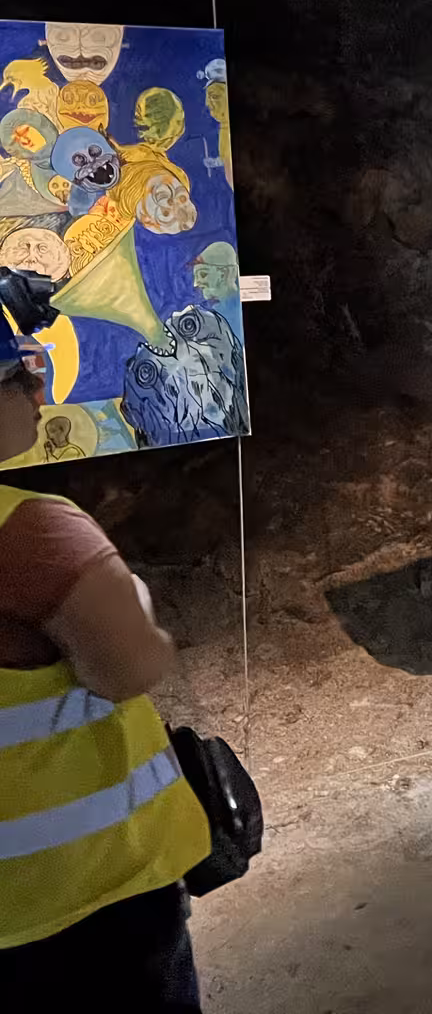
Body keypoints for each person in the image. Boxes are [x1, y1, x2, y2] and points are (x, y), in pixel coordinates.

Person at [0, 342, 211, 1006]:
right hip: (79, 903)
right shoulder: (30, 533)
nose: (38, 394)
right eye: (19, 376)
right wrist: (131, 595)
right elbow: (131, 664)